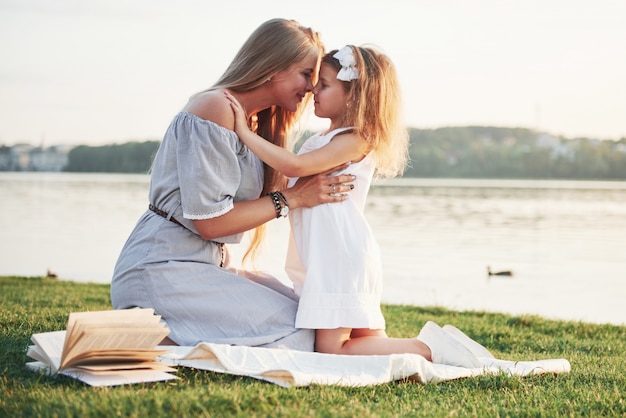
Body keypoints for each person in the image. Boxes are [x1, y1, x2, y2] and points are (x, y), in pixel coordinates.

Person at [226, 45, 483, 368]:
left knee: (333, 350)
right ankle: (440, 348)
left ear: (353, 96)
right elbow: (288, 181)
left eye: (324, 85)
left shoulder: (355, 139)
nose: (313, 92)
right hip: (328, 253)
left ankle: (428, 349)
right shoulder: (323, 139)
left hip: (340, 255)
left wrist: (243, 132)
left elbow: (293, 167)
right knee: (367, 341)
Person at [110, 18, 357, 352]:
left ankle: (178, 334)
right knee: (303, 336)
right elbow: (210, 223)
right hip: (161, 268)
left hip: (202, 267)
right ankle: (159, 334)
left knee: (316, 318)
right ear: (273, 67)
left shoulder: (252, 124)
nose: (311, 88)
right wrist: (293, 198)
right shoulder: (216, 107)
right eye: (305, 74)